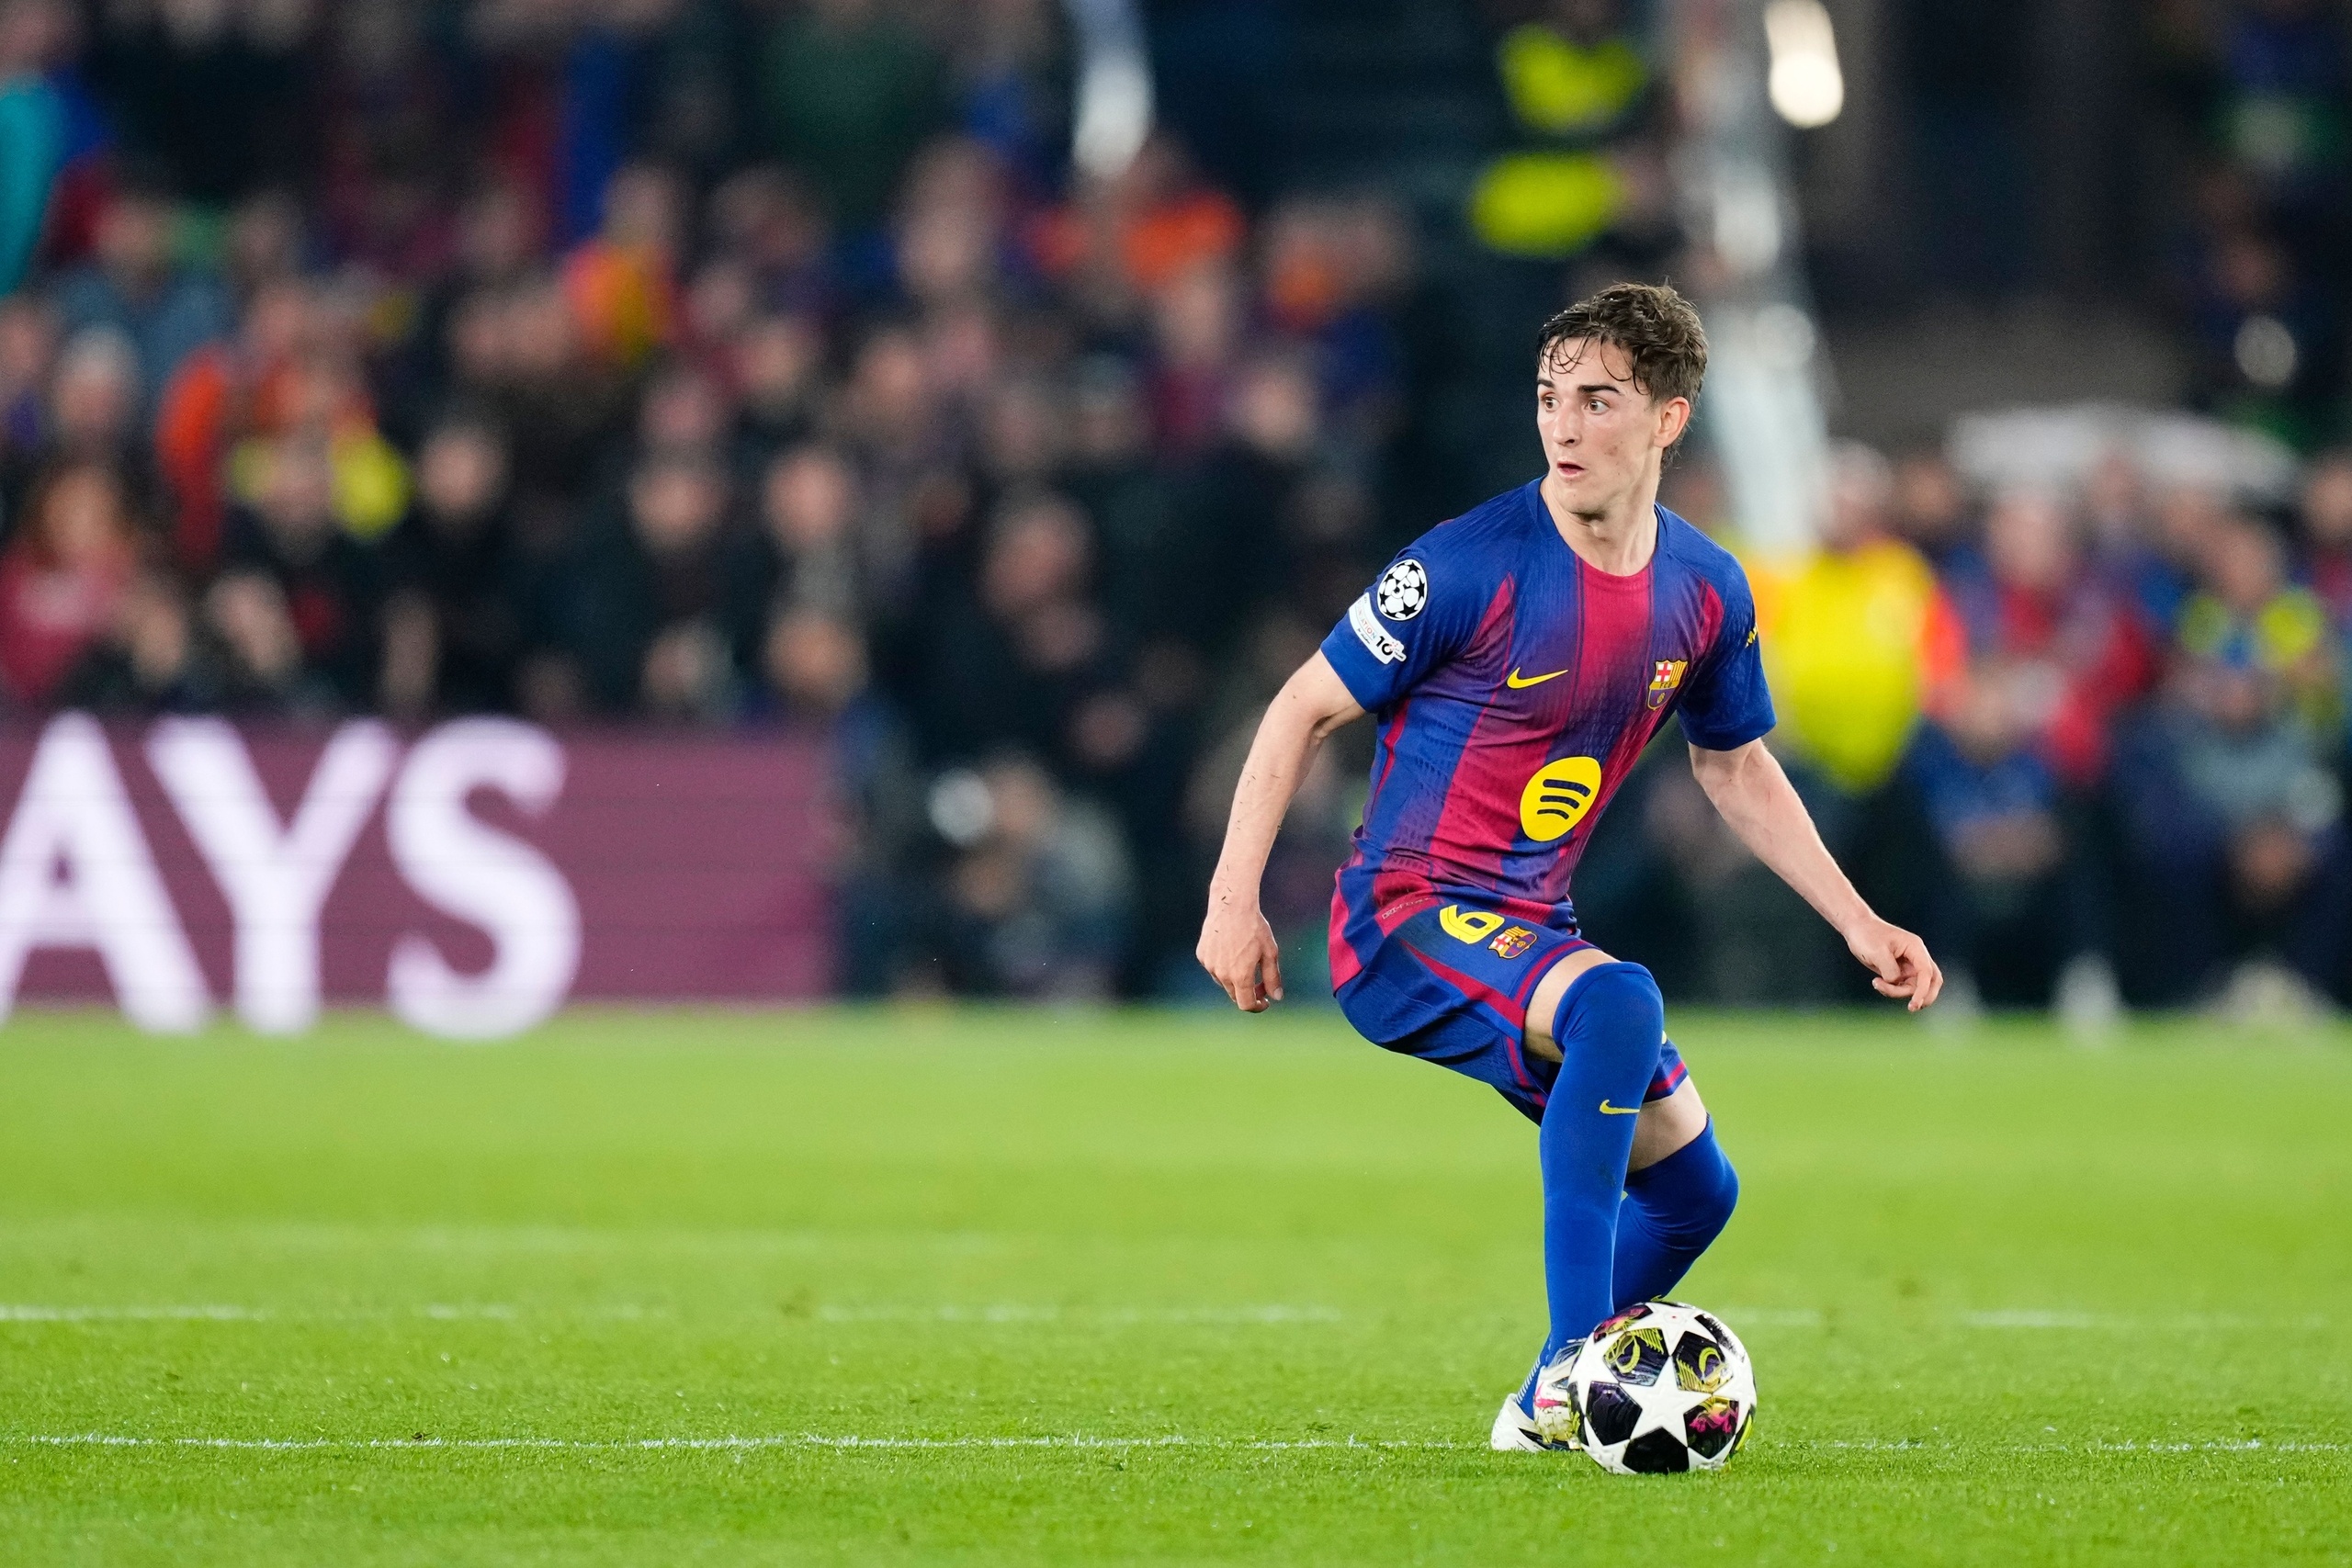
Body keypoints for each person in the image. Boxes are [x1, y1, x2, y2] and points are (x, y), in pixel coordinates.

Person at [1193, 282, 1943, 1451]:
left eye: (1597, 401)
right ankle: (1569, 1370)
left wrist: (1857, 919)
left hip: (1529, 928)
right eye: (1549, 398)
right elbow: (1298, 709)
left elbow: (1734, 766)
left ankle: (1535, 1415)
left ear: (1668, 419)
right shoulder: (1465, 565)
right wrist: (1231, 901)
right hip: (1403, 916)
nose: (1563, 425)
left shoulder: (1705, 590)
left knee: (1696, 1193)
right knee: (1618, 1003)